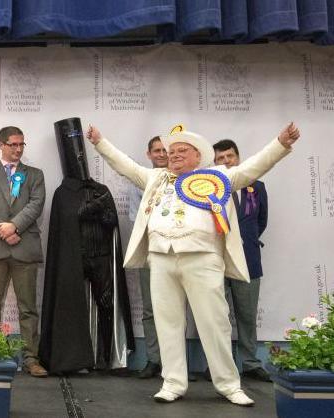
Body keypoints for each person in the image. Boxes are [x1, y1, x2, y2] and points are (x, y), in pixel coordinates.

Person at [86, 122, 300, 406]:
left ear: (198, 155)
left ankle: (229, 384)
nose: (173, 155)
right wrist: (100, 142)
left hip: (202, 259)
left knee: (215, 323)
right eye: (170, 151)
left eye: (181, 150)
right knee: (167, 324)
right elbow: (124, 165)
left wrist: (280, 143)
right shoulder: (156, 178)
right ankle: (173, 382)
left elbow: (251, 170)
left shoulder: (216, 176)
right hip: (161, 260)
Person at [40, 117, 134, 375]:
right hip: (75, 258)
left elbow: (111, 223)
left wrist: (101, 210)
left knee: (106, 303)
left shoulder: (100, 189)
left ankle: (109, 357)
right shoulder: (63, 194)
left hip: (101, 257)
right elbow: (68, 223)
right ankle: (76, 358)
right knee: (72, 306)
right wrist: (87, 210)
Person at [0, 126, 47, 377]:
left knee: (28, 307)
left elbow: (36, 204)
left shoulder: (35, 175)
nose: (17, 149)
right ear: (1, 144)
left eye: (21, 145)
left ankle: (31, 358)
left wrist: (14, 226)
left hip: (24, 247)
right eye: (13, 144)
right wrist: (3, 229)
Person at [206, 139, 271, 382]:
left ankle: (250, 363)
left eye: (229, 156)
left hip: (249, 261)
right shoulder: (208, 188)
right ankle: (218, 364)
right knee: (216, 316)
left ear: (238, 157)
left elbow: (261, 221)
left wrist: (246, 242)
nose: (226, 161)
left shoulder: (258, 186)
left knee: (247, 315)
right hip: (217, 262)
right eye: (220, 158)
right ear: (214, 163)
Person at [128, 136, 167, 379]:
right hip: (150, 253)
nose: (162, 154)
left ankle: (177, 363)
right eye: (157, 150)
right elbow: (136, 220)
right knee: (150, 310)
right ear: (149, 154)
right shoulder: (139, 183)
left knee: (177, 311)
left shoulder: (185, 180)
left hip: (178, 253)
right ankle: (154, 360)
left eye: (165, 150)